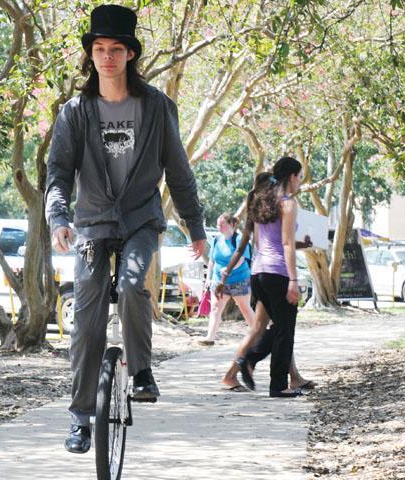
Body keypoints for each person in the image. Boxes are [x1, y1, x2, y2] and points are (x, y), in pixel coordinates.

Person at [45, 4, 206, 454]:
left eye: (116, 49)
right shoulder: (75, 112)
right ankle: (80, 418)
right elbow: (57, 174)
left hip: (139, 219)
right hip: (92, 225)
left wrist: (195, 226)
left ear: (130, 55)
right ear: (91, 56)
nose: (107, 57)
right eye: (99, 49)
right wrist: (58, 219)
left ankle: (141, 372)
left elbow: (178, 170)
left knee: (135, 285)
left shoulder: (156, 107)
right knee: (86, 320)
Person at [217, 157, 310, 397]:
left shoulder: (261, 202)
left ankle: (251, 361)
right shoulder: (288, 203)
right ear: (291, 177)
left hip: (258, 273)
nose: (300, 182)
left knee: (277, 327)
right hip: (278, 273)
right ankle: (277, 385)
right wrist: (293, 279)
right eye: (299, 177)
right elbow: (286, 243)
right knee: (284, 329)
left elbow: (262, 242)